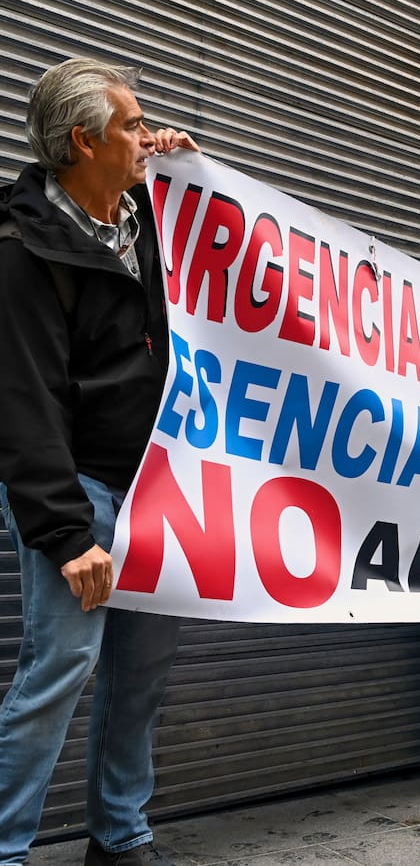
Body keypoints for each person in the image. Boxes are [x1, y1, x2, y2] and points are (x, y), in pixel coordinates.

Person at [0, 58, 199, 865]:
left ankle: (120, 836)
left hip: (155, 487)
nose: (148, 136)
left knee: (140, 675)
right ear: (84, 141)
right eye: (132, 125)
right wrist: (65, 530)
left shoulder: (153, 222)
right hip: (78, 487)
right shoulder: (23, 249)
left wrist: (195, 184)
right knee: (62, 668)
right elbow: (21, 400)